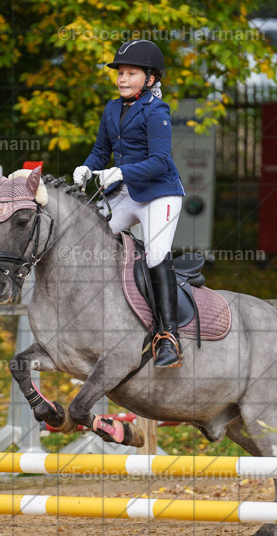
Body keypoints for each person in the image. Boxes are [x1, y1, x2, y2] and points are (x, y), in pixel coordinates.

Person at [73, 39, 186, 368]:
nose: (122, 79)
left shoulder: (156, 111)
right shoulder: (111, 108)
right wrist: (87, 167)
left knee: (155, 254)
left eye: (131, 73)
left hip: (159, 194)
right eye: (120, 73)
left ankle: (168, 337)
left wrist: (120, 170)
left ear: (150, 78)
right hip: (125, 193)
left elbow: (161, 161)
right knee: (83, 237)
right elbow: (100, 151)